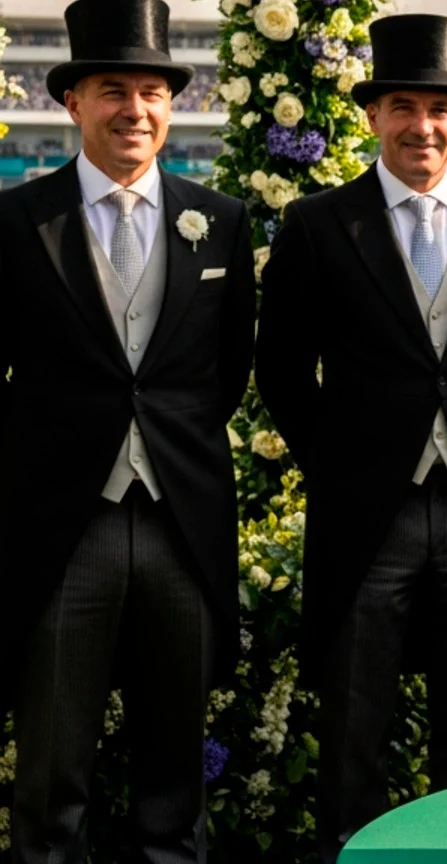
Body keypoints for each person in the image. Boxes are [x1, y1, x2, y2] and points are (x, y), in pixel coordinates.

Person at [254, 15, 447, 861]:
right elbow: (281, 370)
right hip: (366, 519)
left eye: (440, 108)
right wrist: (342, 467)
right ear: (374, 115)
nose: (423, 125)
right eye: (405, 107)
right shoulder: (318, 224)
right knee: (356, 721)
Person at [0, 1, 256, 860]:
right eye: (114, 90)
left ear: (172, 104)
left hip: (184, 526)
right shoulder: (15, 223)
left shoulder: (221, 221)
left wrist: (167, 450)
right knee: (51, 776)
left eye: (152, 92)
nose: (134, 110)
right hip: (63, 531)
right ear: (73, 102)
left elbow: (226, 371)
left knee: (176, 776)